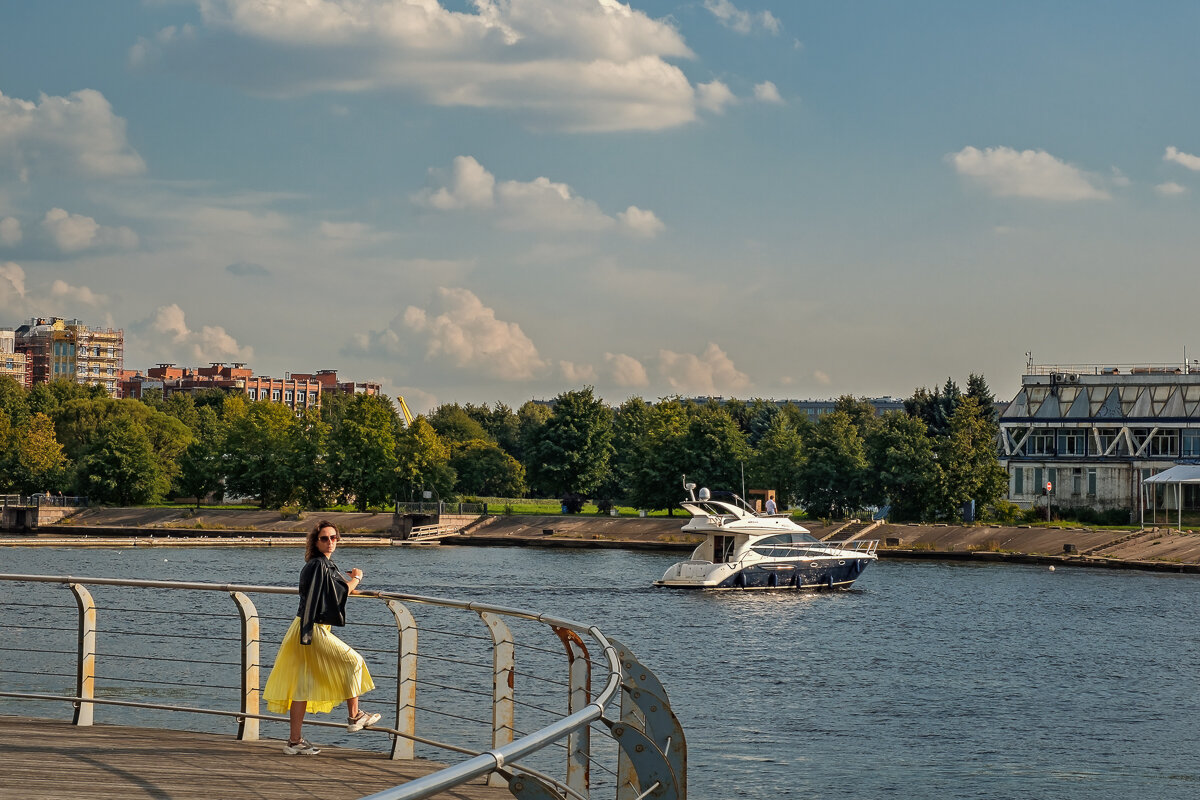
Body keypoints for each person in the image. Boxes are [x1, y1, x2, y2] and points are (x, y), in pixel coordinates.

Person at [263, 520, 381, 755]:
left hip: (303, 627)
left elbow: (329, 591)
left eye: (334, 538)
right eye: (325, 538)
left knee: (302, 686)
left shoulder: (319, 564)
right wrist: (357, 578)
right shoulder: (319, 565)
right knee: (354, 661)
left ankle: (294, 742)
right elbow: (337, 594)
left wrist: (345, 579)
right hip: (312, 629)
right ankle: (355, 715)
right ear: (315, 542)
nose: (330, 542)